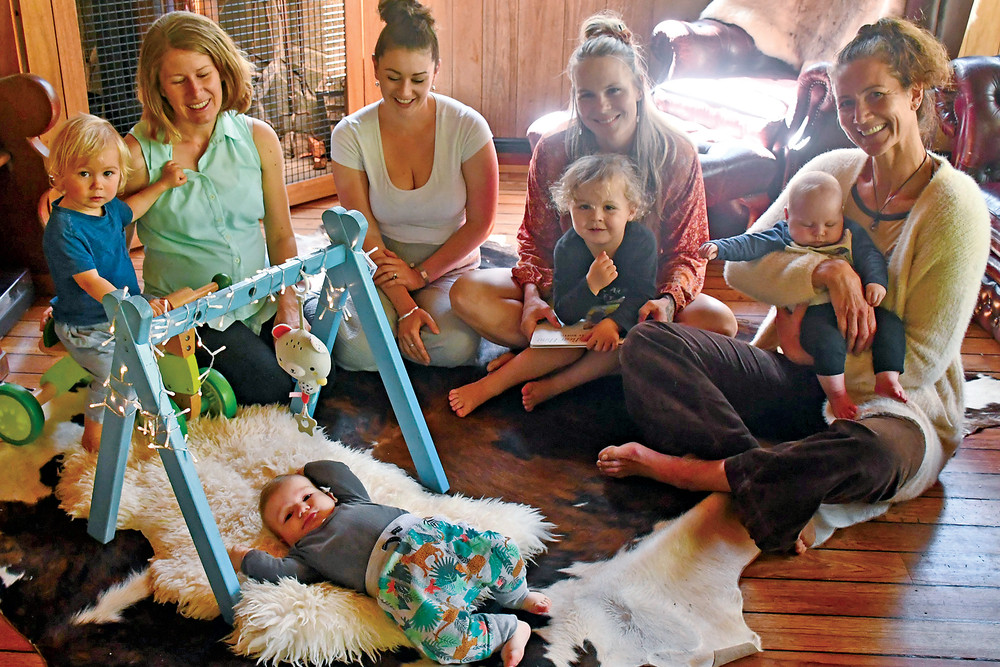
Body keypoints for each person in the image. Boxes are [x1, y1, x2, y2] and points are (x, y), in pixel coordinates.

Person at [596, 17, 990, 555]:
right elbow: (742, 267)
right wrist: (822, 272)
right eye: (847, 103)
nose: (860, 117)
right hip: (802, 381)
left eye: (877, 96)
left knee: (871, 457)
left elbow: (919, 361)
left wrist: (808, 349)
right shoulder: (831, 169)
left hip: (892, 407)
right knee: (648, 344)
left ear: (915, 91)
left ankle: (701, 474)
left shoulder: (954, 206)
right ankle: (760, 474)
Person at [450, 11, 737, 386]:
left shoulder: (676, 153)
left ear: (638, 87)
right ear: (575, 96)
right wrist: (534, 296)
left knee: (718, 324)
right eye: (587, 94)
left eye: (614, 90)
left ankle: (552, 359)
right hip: (571, 295)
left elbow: (688, 252)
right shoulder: (553, 150)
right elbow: (534, 241)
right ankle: (614, 358)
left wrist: (666, 302)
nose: (601, 107)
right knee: (467, 293)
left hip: (641, 300)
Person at [124, 11, 302, 406]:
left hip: (263, 296)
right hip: (190, 316)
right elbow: (111, 245)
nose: (195, 92)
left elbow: (280, 233)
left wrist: (290, 301)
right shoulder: (135, 156)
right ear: (159, 88)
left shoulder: (259, 137)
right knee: (275, 387)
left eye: (203, 75)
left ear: (223, 70)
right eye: (178, 81)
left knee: (318, 370)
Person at [228, 460, 551, 666]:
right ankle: (507, 629)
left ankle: (515, 595)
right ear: (286, 540)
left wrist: (308, 470)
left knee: (498, 548)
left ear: (329, 494)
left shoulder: (352, 501)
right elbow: (278, 572)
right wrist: (245, 558)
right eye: (288, 515)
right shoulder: (306, 554)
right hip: (403, 584)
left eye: (307, 496)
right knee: (441, 642)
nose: (301, 509)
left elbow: (338, 470)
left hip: (429, 537)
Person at [327, 0, 498, 371]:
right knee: (359, 353)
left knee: (453, 346)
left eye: (418, 79)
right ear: (374, 66)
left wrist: (421, 275)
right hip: (378, 258)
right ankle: (334, 306)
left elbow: (481, 223)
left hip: (448, 262)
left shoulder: (468, 127)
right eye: (392, 77)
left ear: (436, 70)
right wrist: (405, 305)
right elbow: (362, 232)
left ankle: (392, 336)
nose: (405, 91)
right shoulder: (350, 134)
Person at [449, 153, 655, 416]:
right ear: (569, 207)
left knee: (626, 349)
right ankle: (489, 386)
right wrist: (590, 284)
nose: (596, 217)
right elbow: (566, 312)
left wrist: (614, 324)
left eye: (609, 207)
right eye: (584, 207)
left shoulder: (641, 243)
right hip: (578, 328)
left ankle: (553, 385)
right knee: (559, 348)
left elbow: (643, 294)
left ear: (632, 210)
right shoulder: (568, 248)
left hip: (618, 331)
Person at [699, 171, 906, 419]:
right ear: (788, 217)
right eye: (808, 225)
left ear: (841, 214)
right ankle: (837, 395)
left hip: (859, 310)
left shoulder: (851, 233)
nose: (819, 233)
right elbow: (750, 243)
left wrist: (876, 282)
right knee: (828, 344)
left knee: (891, 324)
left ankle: (887, 378)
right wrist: (719, 247)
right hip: (813, 314)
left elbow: (870, 256)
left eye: (830, 224)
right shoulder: (783, 233)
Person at [42, 113, 181, 451]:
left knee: (152, 351)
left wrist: (162, 184)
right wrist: (133, 303)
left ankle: (150, 407)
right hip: (86, 323)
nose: (97, 184)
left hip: (119, 313)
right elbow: (90, 282)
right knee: (115, 375)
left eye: (107, 174)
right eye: (84, 174)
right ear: (58, 177)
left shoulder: (107, 208)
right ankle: (93, 437)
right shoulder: (65, 229)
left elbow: (131, 209)